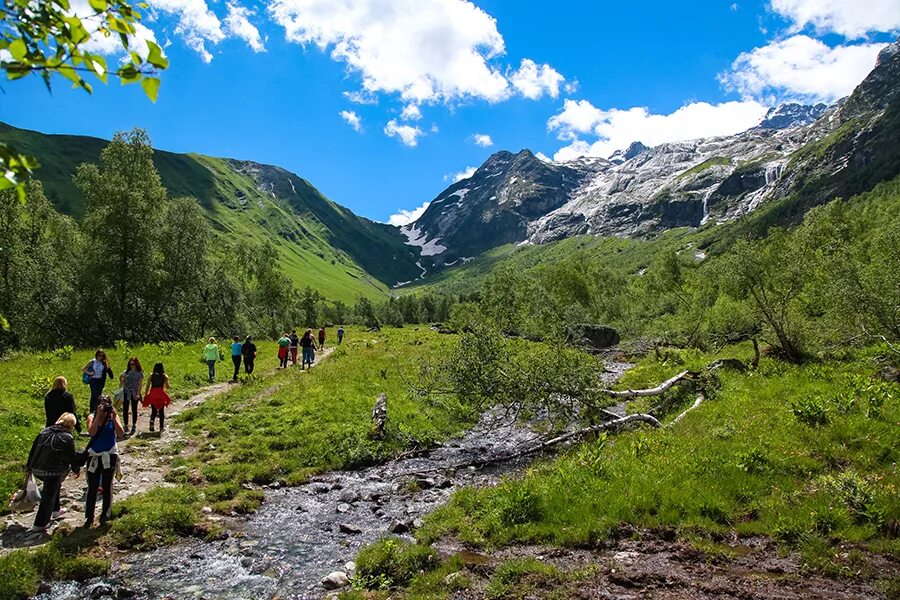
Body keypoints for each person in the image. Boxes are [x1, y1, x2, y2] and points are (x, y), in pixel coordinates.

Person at [25, 413, 81, 532]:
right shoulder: (67, 437)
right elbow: (71, 456)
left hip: (37, 469)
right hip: (53, 471)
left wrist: (28, 466)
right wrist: (76, 469)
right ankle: (39, 525)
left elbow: (33, 449)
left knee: (53, 487)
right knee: (48, 495)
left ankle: (56, 511)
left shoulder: (44, 432)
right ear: (71, 426)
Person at [84, 396, 124, 528]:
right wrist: (98, 416)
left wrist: (113, 417)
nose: (104, 407)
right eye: (101, 405)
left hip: (110, 454)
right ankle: (89, 516)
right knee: (92, 486)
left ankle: (105, 515)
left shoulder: (113, 416)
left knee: (107, 485)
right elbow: (92, 432)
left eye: (106, 405)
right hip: (94, 456)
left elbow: (120, 433)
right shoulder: (92, 417)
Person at [142, 363, 171, 433]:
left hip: (153, 393)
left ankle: (152, 422)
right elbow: (167, 387)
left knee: (154, 410)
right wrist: (167, 381)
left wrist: (146, 394)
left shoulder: (151, 375)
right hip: (160, 393)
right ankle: (161, 427)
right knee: (161, 411)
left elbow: (148, 385)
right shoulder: (164, 376)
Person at [83, 349, 113, 414]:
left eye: (102, 356)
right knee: (94, 395)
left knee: (99, 396)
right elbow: (84, 369)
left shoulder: (104, 362)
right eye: (99, 355)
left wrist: (110, 373)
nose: (100, 357)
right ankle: (92, 410)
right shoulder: (92, 361)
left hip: (100, 381)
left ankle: (97, 410)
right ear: (97, 355)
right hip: (93, 380)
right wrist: (90, 373)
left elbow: (108, 370)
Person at [119, 357, 144, 436]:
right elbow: (120, 377)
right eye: (130, 364)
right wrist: (121, 382)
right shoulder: (126, 372)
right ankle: (126, 424)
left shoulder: (139, 373)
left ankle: (134, 424)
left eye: (133, 364)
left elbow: (140, 385)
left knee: (134, 409)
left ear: (136, 364)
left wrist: (138, 394)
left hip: (134, 392)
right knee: (125, 409)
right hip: (126, 391)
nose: (131, 366)